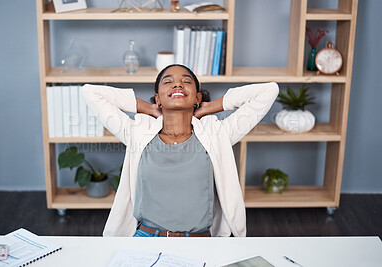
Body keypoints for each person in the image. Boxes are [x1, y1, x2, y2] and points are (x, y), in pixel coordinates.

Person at [82, 64, 279, 237]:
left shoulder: (218, 134)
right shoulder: (138, 133)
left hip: (199, 242)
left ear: (197, 97)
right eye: (168, 82)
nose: (177, 85)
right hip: (146, 238)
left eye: (186, 81)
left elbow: (269, 90)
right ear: (158, 98)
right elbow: (90, 92)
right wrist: (148, 108)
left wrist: (210, 107)